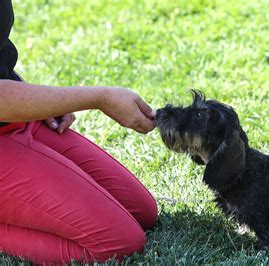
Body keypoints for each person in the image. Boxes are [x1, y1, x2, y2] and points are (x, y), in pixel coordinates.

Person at [0, 0, 158, 264]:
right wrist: (99, 98)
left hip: (10, 120)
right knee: (119, 244)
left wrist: (32, 98)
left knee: (142, 211)